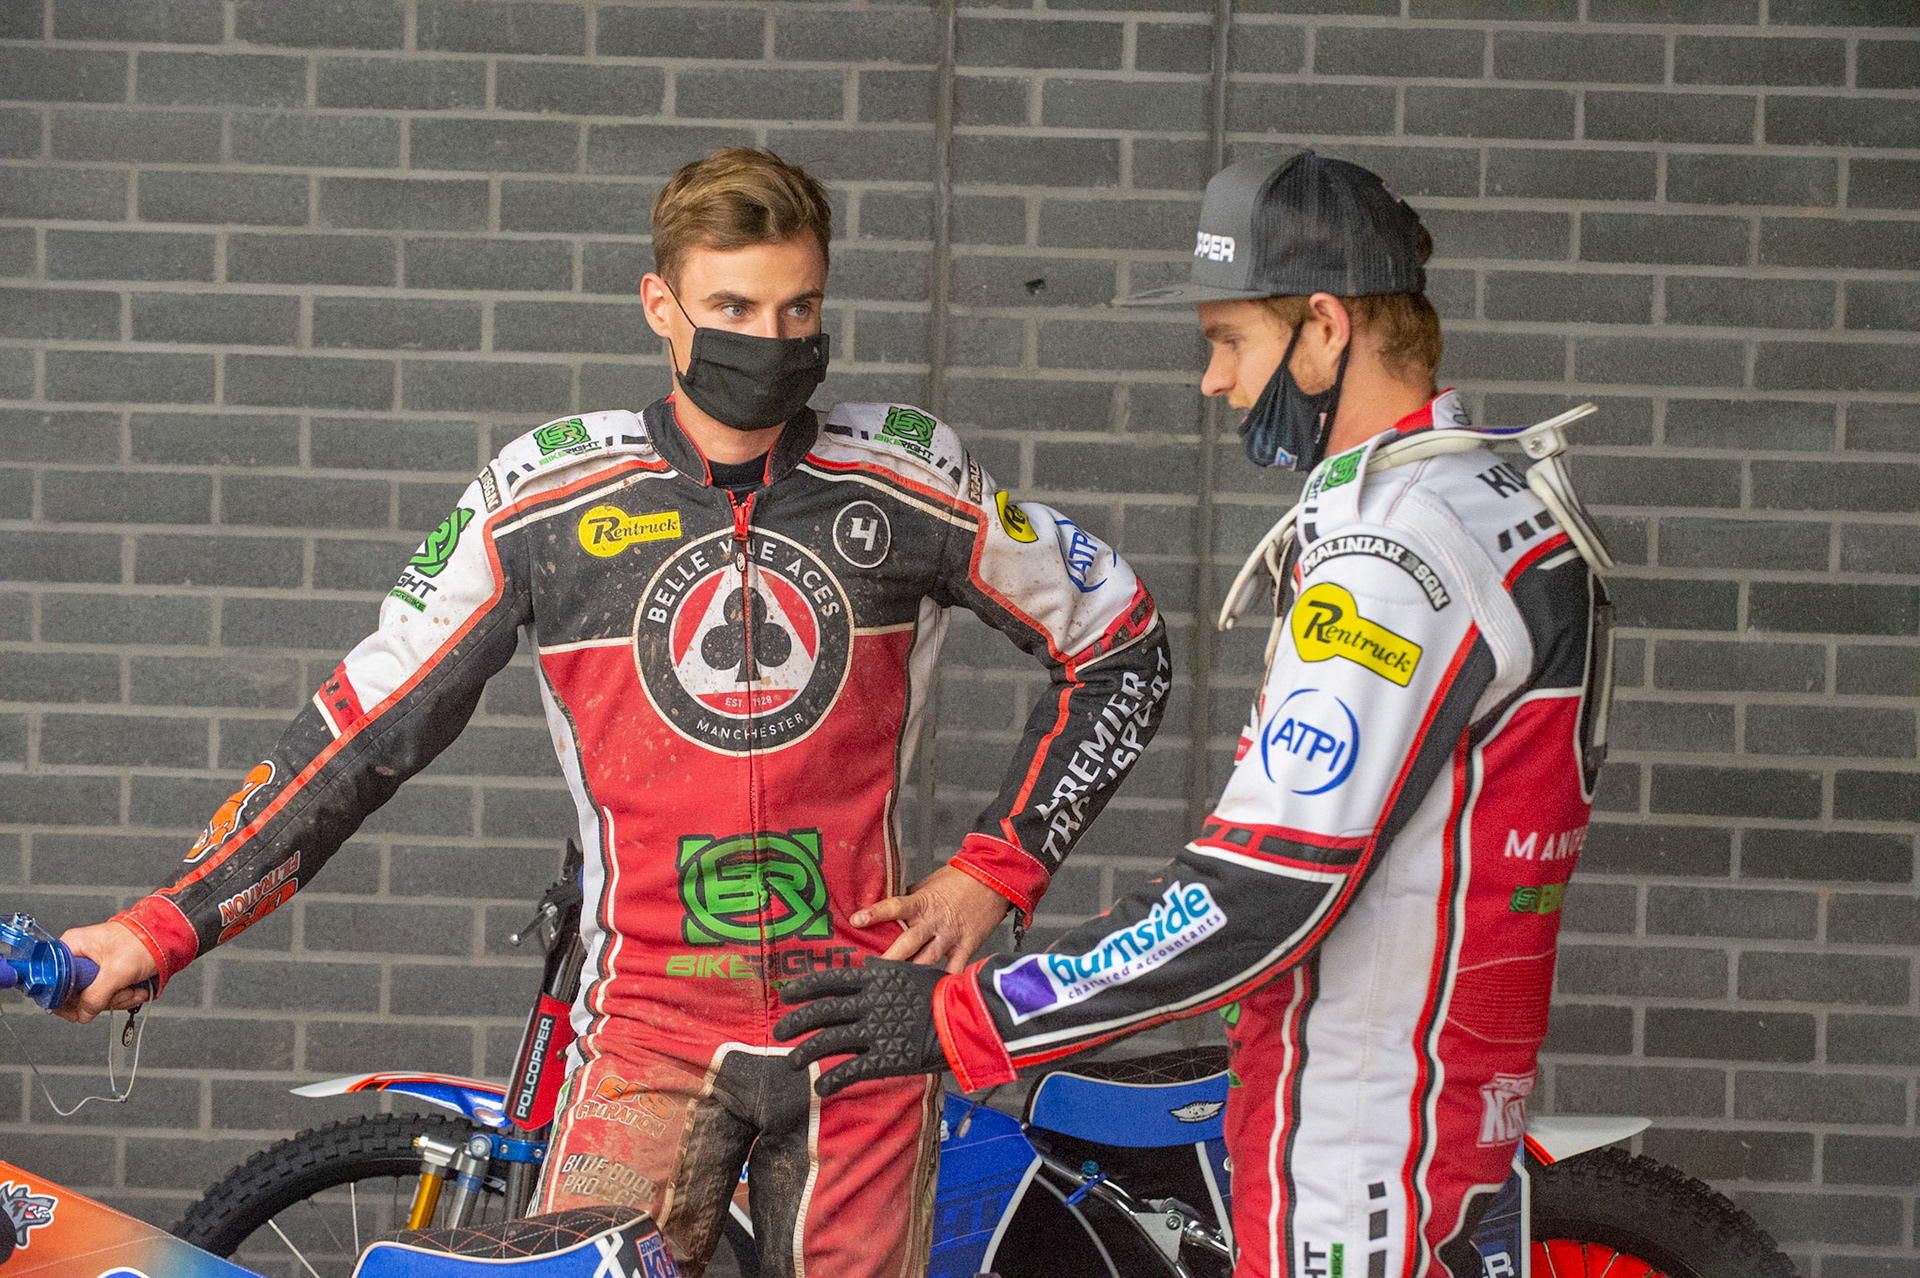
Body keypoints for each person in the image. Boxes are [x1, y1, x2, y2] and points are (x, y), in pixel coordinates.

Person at [56, 148, 1171, 1278]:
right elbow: (360, 733)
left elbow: (1124, 642)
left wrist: (999, 868)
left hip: (863, 1023)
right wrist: (161, 927)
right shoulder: (542, 499)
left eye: (800, 309)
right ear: (660, 305)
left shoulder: (907, 478)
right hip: (645, 1026)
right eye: (731, 307)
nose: (770, 340)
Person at [776, 149, 1616, 1278]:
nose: (1212, 381)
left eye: (1230, 342)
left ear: (1325, 330)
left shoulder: (1391, 556)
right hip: (1446, 1124)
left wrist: (971, 1016)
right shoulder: (1497, 494)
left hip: (1362, 1145)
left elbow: (1257, 894)